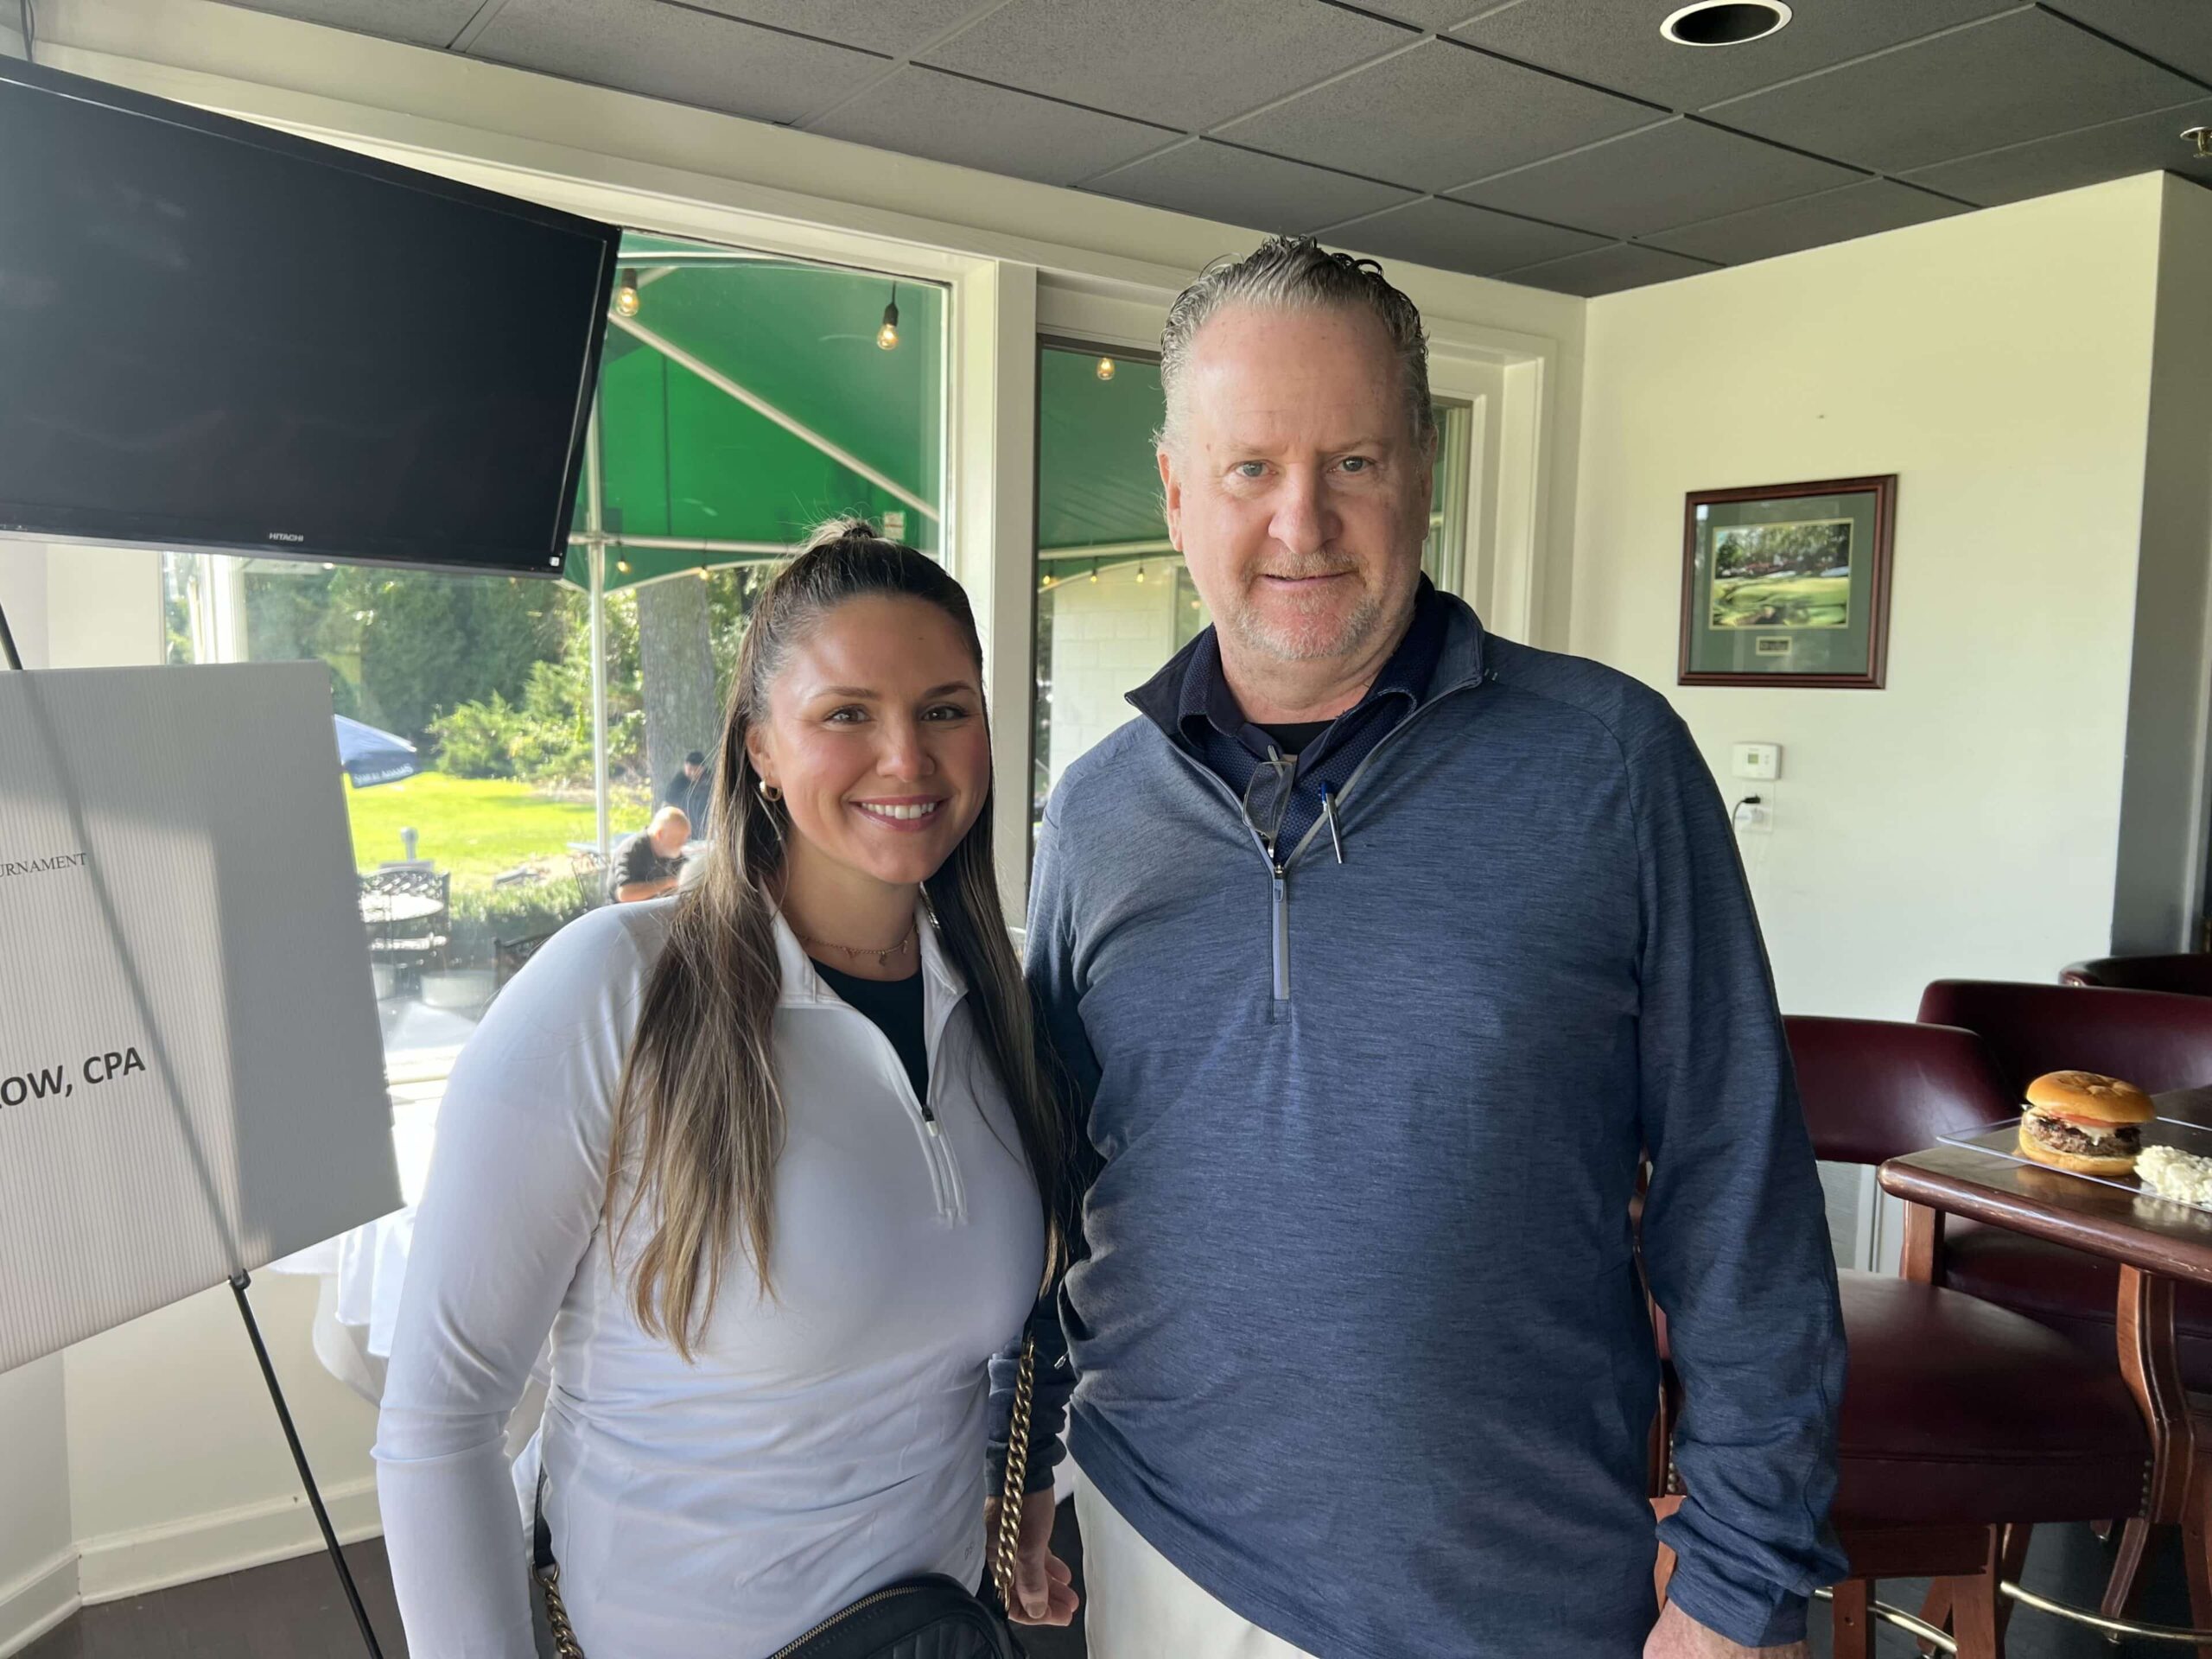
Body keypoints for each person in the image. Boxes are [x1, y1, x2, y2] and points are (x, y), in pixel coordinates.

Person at [1001, 238, 1847, 1658]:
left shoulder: (1612, 764)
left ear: (1424, 472)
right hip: (1157, 1548)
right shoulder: (1098, 811)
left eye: (1354, 462)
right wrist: (1020, 1458)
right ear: (1176, 492)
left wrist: (1742, 1577)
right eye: (1250, 468)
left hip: (1510, 1592)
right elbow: (1041, 1187)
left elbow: (1738, 1183)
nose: (1303, 522)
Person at [375, 522, 1077, 1657]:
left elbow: (1000, 1334)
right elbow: (439, 1420)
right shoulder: (613, 988)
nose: (906, 757)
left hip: (937, 1633)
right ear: (759, 749)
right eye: (846, 714)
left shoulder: (999, 1007)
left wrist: (1021, 1483)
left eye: (945, 709)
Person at [607, 805, 689, 904]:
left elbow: (688, 875)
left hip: (656, 908)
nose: (682, 844)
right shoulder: (632, 850)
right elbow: (624, 894)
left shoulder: (671, 850)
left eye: (684, 840)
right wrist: (666, 883)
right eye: (678, 840)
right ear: (660, 834)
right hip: (624, 911)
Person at [664, 748, 714, 830]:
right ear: (685, 766)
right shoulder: (680, 779)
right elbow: (669, 798)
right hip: (682, 820)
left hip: (703, 823)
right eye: (690, 769)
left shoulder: (708, 780)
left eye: (696, 770)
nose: (693, 773)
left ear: (703, 769)